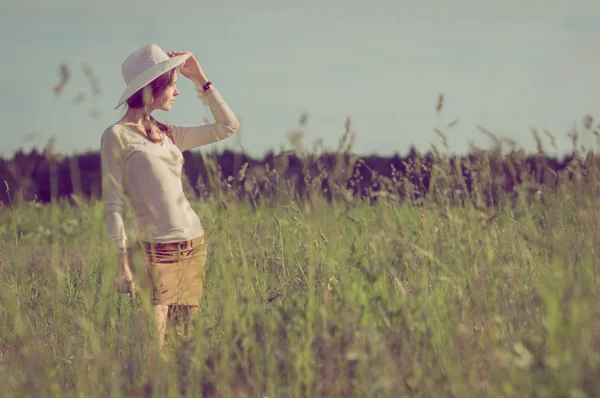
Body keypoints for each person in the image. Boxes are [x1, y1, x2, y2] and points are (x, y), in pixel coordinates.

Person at [100, 44, 240, 347]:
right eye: (173, 85)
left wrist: (200, 79)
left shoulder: (169, 134)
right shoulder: (117, 136)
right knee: (154, 345)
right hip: (154, 250)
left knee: (184, 342)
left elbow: (228, 126)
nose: (176, 92)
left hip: (193, 244)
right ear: (154, 88)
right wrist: (120, 258)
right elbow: (113, 204)